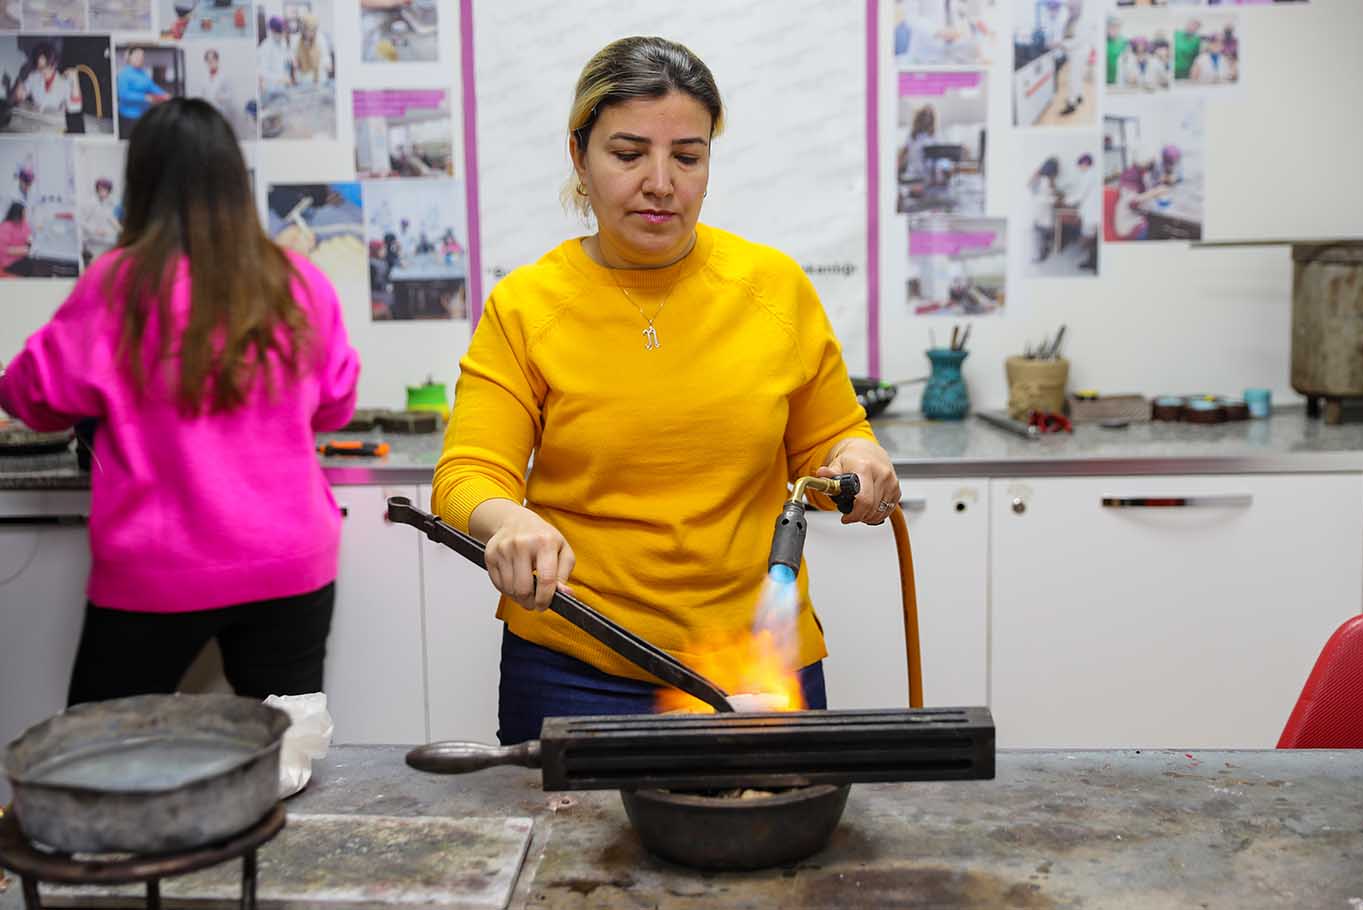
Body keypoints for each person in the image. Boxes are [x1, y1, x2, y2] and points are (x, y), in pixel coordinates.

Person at [431, 36, 899, 745]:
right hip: (576, 661)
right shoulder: (527, 306)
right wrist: (509, 521)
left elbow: (832, 439)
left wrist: (859, 459)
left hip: (757, 660)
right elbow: (469, 472)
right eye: (628, 154)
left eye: (687, 155)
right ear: (578, 156)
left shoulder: (774, 290)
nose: (661, 182)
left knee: (774, 849)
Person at [0, 99, 360, 706]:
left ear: (143, 183)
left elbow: (32, 396)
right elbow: (336, 405)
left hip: (159, 565)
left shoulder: (119, 283)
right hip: (290, 560)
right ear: (232, 179)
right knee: (288, 759)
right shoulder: (298, 280)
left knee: (102, 760)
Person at [12, 43, 84, 134]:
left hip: (55, 128)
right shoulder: (33, 76)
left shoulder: (64, 82)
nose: (43, 71)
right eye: (40, 67)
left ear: (55, 64)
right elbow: (21, 96)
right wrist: (19, 92)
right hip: (35, 125)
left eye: (47, 66)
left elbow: (75, 108)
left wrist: (75, 81)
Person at [116, 47, 170, 138]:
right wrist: (145, 98)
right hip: (129, 118)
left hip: (143, 116)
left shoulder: (143, 73)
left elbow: (151, 87)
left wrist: (164, 94)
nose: (140, 58)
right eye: (137, 56)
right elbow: (124, 95)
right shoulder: (124, 74)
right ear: (129, 57)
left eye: (142, 56)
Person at [1064, 153, 1099, 271]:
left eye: (1080, 165)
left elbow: (1080, 195)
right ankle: (1092, 261)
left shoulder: (1089, 175)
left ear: (1085, 164)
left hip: (1091, 212)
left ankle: (1091, 263)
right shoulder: (1092, 174)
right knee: (1092, 237)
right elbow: (1082, 193)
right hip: (1091, 211)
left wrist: (1066, 200)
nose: (1079, 168)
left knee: (1089, 237)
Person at [79, 176, 122, 265]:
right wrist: (94, 230)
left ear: (109, 191)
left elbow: (111, 219)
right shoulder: (90, 203)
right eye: (101, 189)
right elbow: (81, 221)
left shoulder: (109, 204)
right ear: (97, 189)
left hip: (105, 242)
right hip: (92, 242)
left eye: (106, 189)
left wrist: (120, 229)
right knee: (94, 267)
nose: (103, 191)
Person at [1028, 157, 1061, 263]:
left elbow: (1033, 190)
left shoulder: (1039, 177)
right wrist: (1055, 199)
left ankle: (1041, 252)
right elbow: (1044, 197)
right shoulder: (1045, 180)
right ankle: (1039, 256)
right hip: (1042, 209)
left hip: (1038, 209)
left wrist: (1053, 195)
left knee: (1040, 231)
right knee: (1042, 231)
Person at [0, 202, 32, 277]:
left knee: (41, 262)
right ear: (17, 213)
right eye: (23, 213)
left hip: (22, 257)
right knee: (32, 266)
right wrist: (26, 250)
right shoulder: (5, 226)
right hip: (9, 262)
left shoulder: (23, 224)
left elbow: (29, 237)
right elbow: (5, 250)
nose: (25, 215)